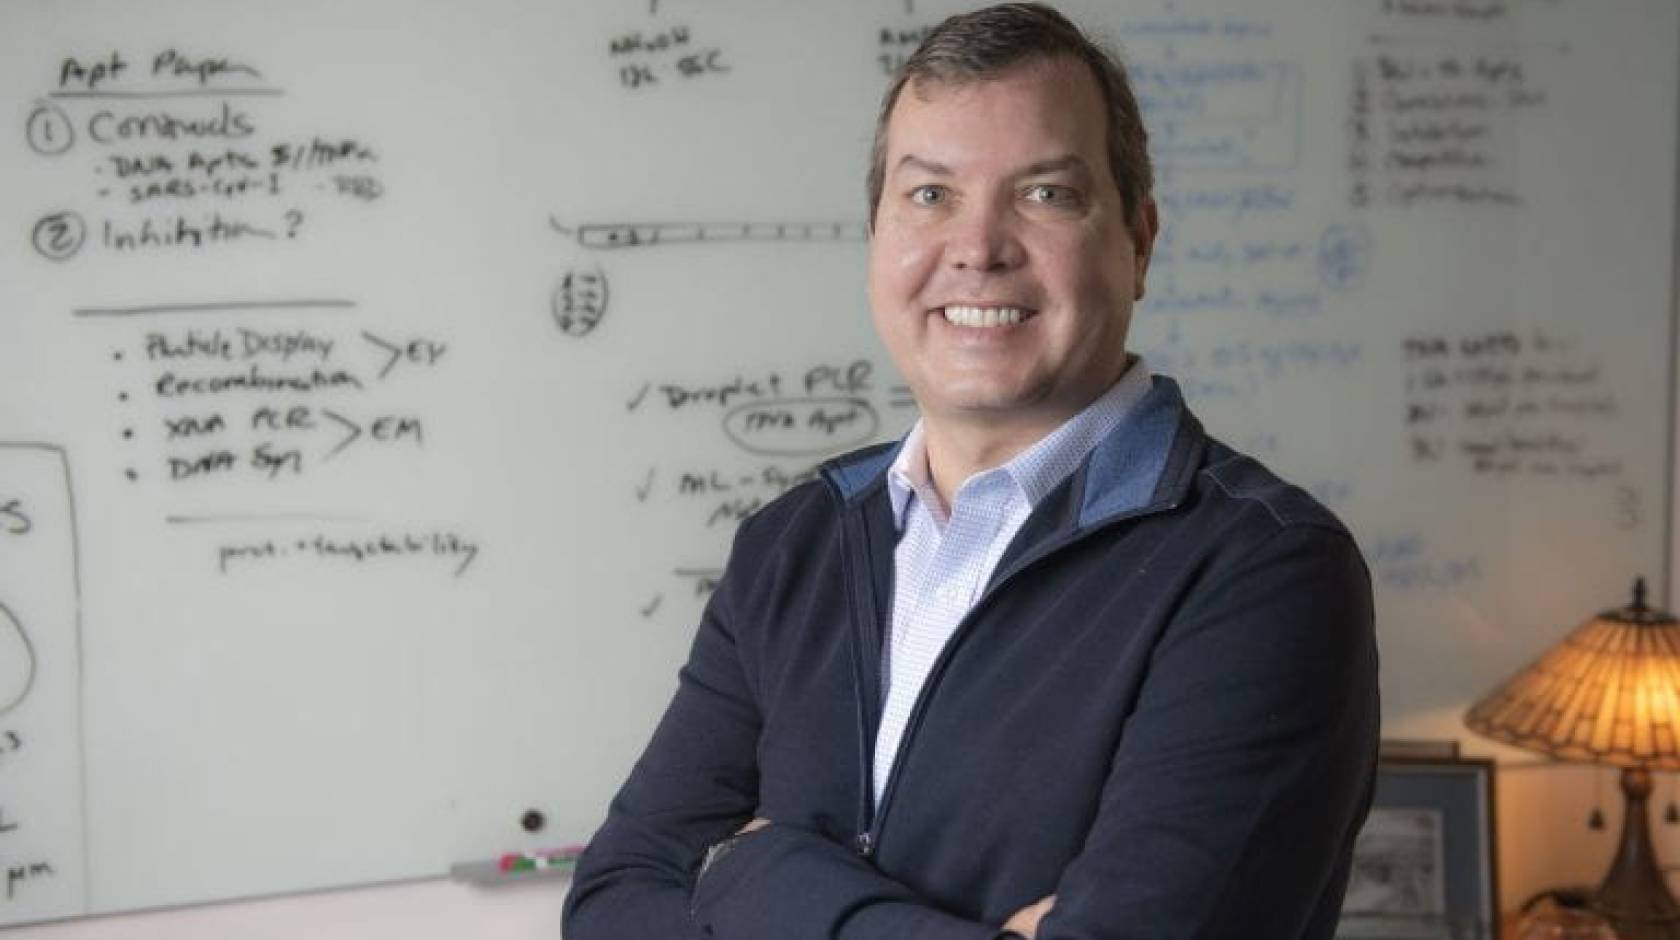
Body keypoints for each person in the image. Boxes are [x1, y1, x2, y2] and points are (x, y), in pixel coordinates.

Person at [562, 4, 1379, 938]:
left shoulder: (1262, 572)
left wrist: (756, 873)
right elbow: (614, 899)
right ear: (876, 236)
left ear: (1139, 242)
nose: (978, 247)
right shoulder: (794, 544)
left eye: (1045, 194)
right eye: (929, 195)